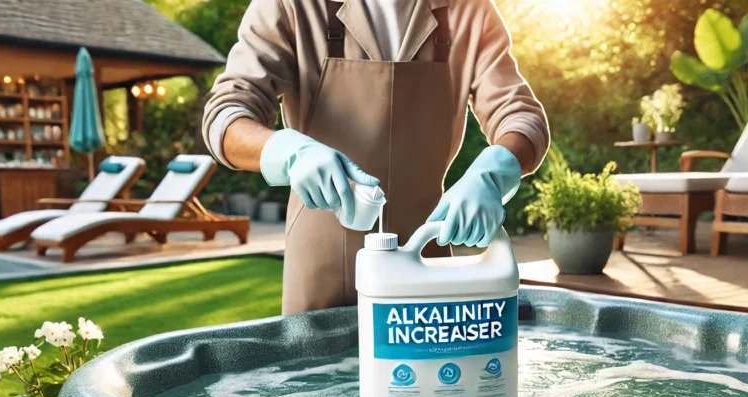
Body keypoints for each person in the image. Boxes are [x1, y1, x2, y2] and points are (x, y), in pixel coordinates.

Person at [203, 0, 550, 315]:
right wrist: (291, 152)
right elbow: (226, 115)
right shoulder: (292, 5)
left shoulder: (468, 11)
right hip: (320, 269)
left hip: (426, 260)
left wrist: (493, 171)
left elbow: (523, 118)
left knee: (431, 381)